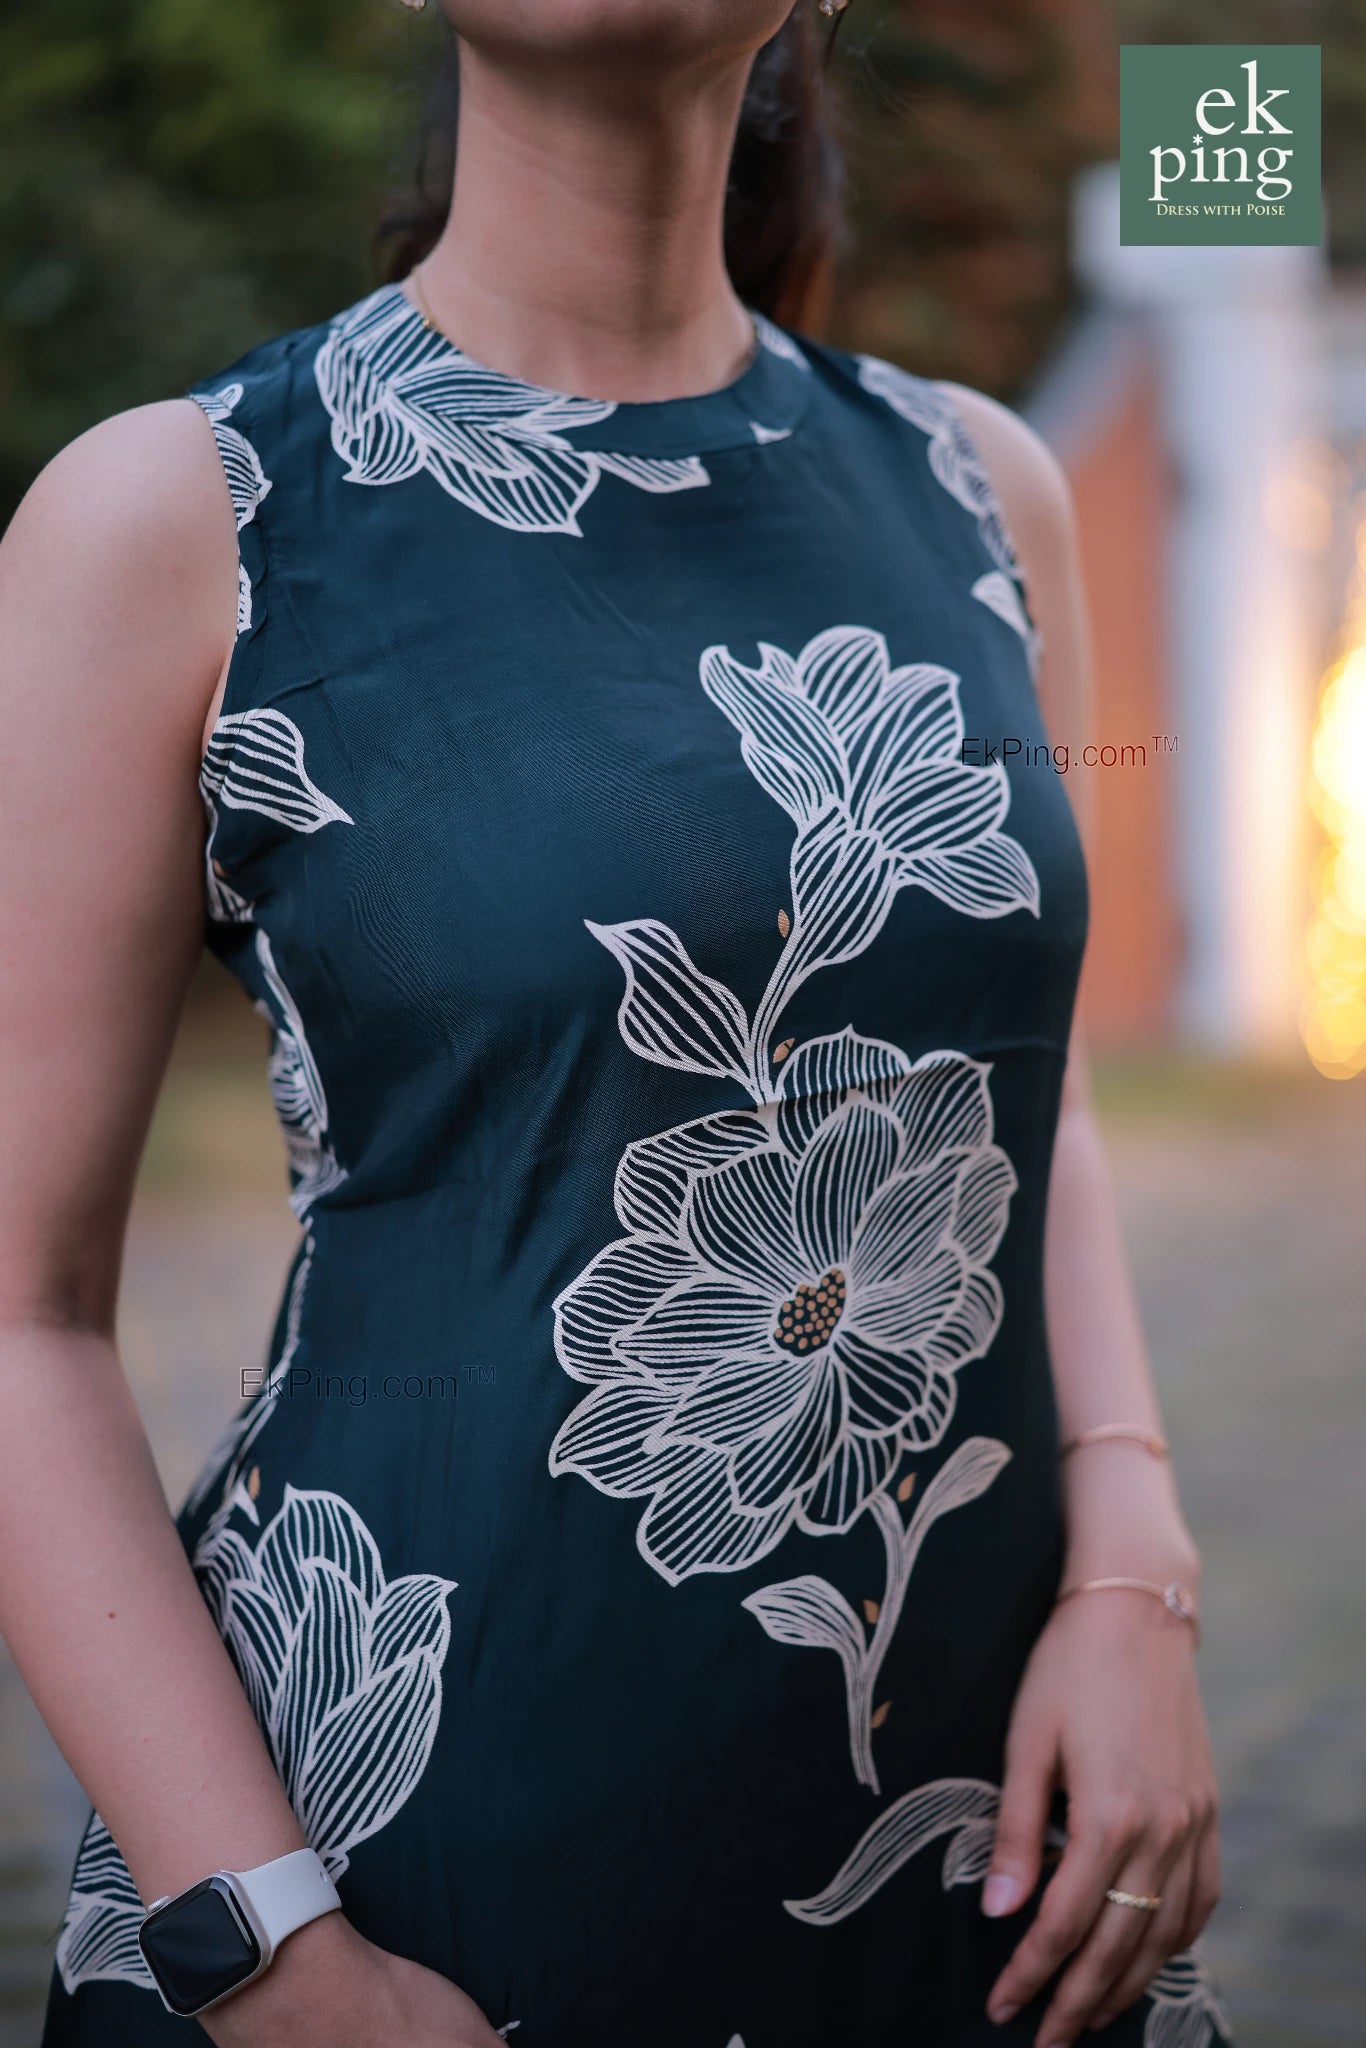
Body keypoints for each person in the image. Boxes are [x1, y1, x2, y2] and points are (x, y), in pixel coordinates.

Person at [1, 4, 1229, 2044]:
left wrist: (1134, 1558)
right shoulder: (187, 516)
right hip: (414, 1879)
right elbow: (18, 1309)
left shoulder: (971, 488)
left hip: (990, 1861)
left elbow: (1030, 1102)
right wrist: (277, 1954)